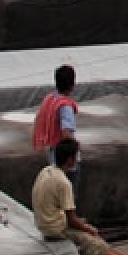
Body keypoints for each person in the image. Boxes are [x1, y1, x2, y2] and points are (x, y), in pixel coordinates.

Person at [32, 139, 128, 255]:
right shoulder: (63, 182)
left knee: (92, 234)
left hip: (45, 223)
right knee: (92, 241)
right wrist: (87, 228)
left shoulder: (46, 171)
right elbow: (72, 220)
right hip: (55, 230)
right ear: (70, 159)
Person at [34, 64, 81, 192]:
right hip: (65, 161)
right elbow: (66, 133)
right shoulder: (65, 106)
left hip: (52, 154)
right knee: (67, 197)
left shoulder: (50, 99)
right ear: (72, 84)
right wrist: (74, 152)